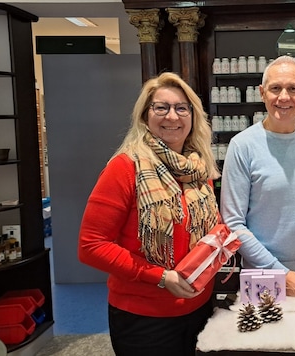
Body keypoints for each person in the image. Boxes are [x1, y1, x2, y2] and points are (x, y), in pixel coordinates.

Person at [77, 72, 220, 356]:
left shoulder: (198, 169)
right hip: (144, 318)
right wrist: (159, 276)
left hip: (201, 309)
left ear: (193, 116)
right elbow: (90, 246)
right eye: (161, 107)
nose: (172, 116)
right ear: (145, 116)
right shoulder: (125, 167)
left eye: (182, 108)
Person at [220, 55, 295, 296]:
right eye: (275, 88)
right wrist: (281, 274)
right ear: (262, 93)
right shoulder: (242, 145)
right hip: (262, 275)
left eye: (292, 89)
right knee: (267, 334)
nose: (284, 97)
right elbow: (233, 223)